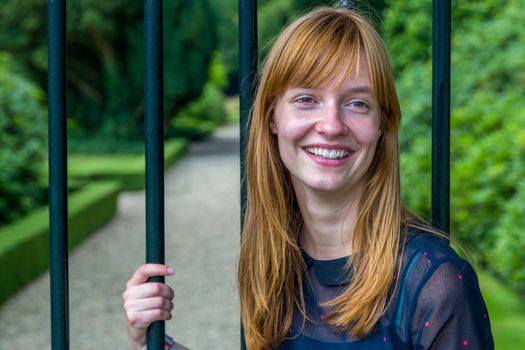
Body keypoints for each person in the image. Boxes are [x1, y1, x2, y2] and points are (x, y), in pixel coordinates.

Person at [123, 6, 494, 350]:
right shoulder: (275, 261)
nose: (331, 125)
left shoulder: (434, 284)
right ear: (272, 118)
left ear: (383, 125)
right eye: (306, 99)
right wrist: (154, 342)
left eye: (357, 103)